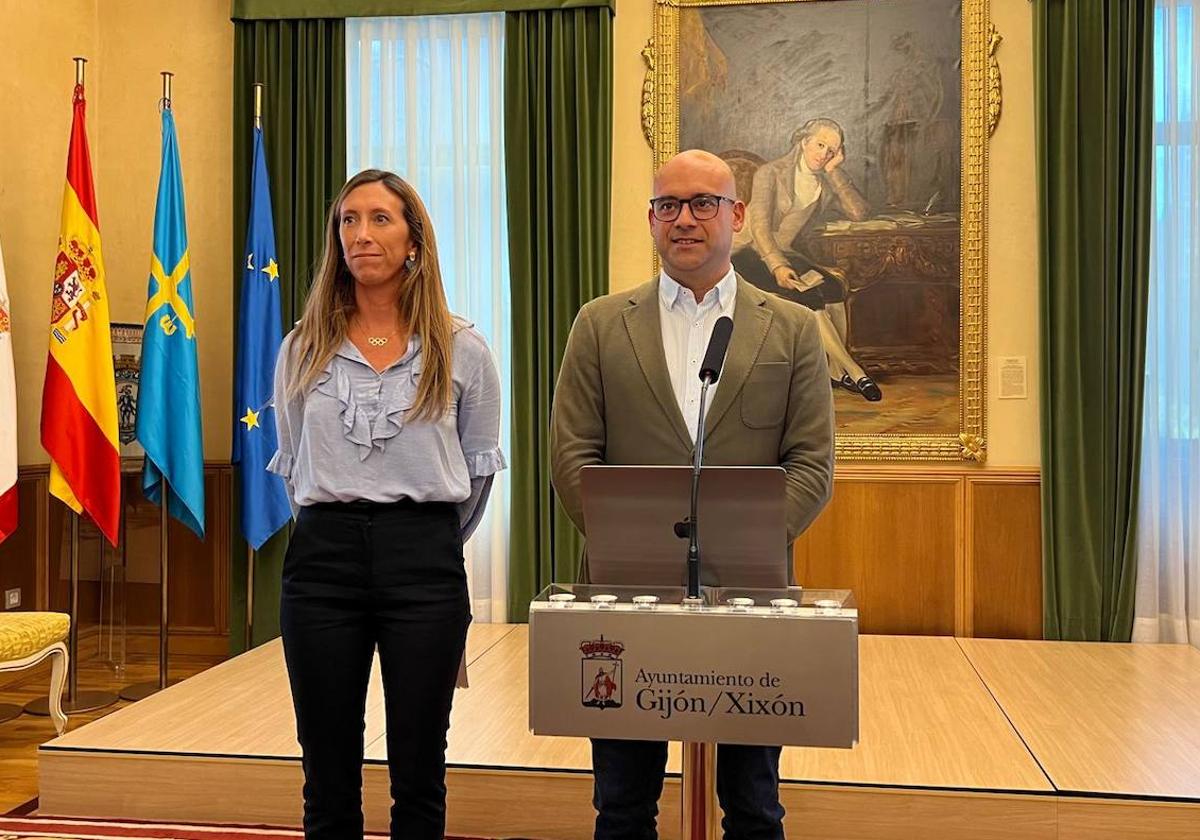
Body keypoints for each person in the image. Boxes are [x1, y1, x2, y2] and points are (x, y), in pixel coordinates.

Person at [550, 149, 834, 840]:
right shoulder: (599, 323)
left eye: (703, 203)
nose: (685, 219)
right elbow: (572, 456)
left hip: (751, 598)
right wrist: (633, 545)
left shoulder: (791, 328)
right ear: (651, 220)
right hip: (624, 600)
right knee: (621, 807)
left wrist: (742, 543)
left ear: (737, 215)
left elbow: (811, 463)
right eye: (668, 206)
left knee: (755, 808)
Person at [268, 168, 505, 839]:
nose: (360, 234)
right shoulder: (301, 349)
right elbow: (296, 464)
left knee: (420, 767)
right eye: (347, 220)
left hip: (424, 563)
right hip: (321, 561)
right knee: (327, 768)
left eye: (379, 219)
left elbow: (476, 471)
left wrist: (417, 536)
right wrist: (346, 520)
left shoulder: (465, 349)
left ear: (414, 241)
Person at [732, 118, 882, 401]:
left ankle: (837, 372)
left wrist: (834, 172)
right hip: (747, 253)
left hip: (784, 252)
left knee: (834, 289)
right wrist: (777, 266)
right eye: (820, 144)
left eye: (831, 150)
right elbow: (760, 228)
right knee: (810, 296)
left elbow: (859, 212)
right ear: (803, 142)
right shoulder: (771, 173)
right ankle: (857, 372)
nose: (823, 153)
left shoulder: (823, 182)